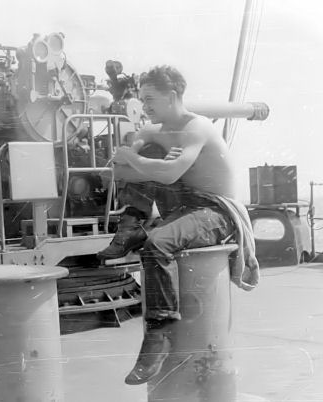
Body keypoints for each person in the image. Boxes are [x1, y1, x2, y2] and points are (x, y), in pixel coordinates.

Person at [98, 65, 260, 385]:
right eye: (141, 98)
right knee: (152, 155)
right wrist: (147, 160)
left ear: (172, 96)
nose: (144, 105)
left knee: (157, 245)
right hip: (185, 204)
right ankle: (131, 225)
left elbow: (168, 175)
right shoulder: (155, 131)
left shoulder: (195, 128)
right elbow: (112, 172)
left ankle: (158, 334)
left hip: (216, 211)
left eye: (149, 98)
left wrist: (137, 161)